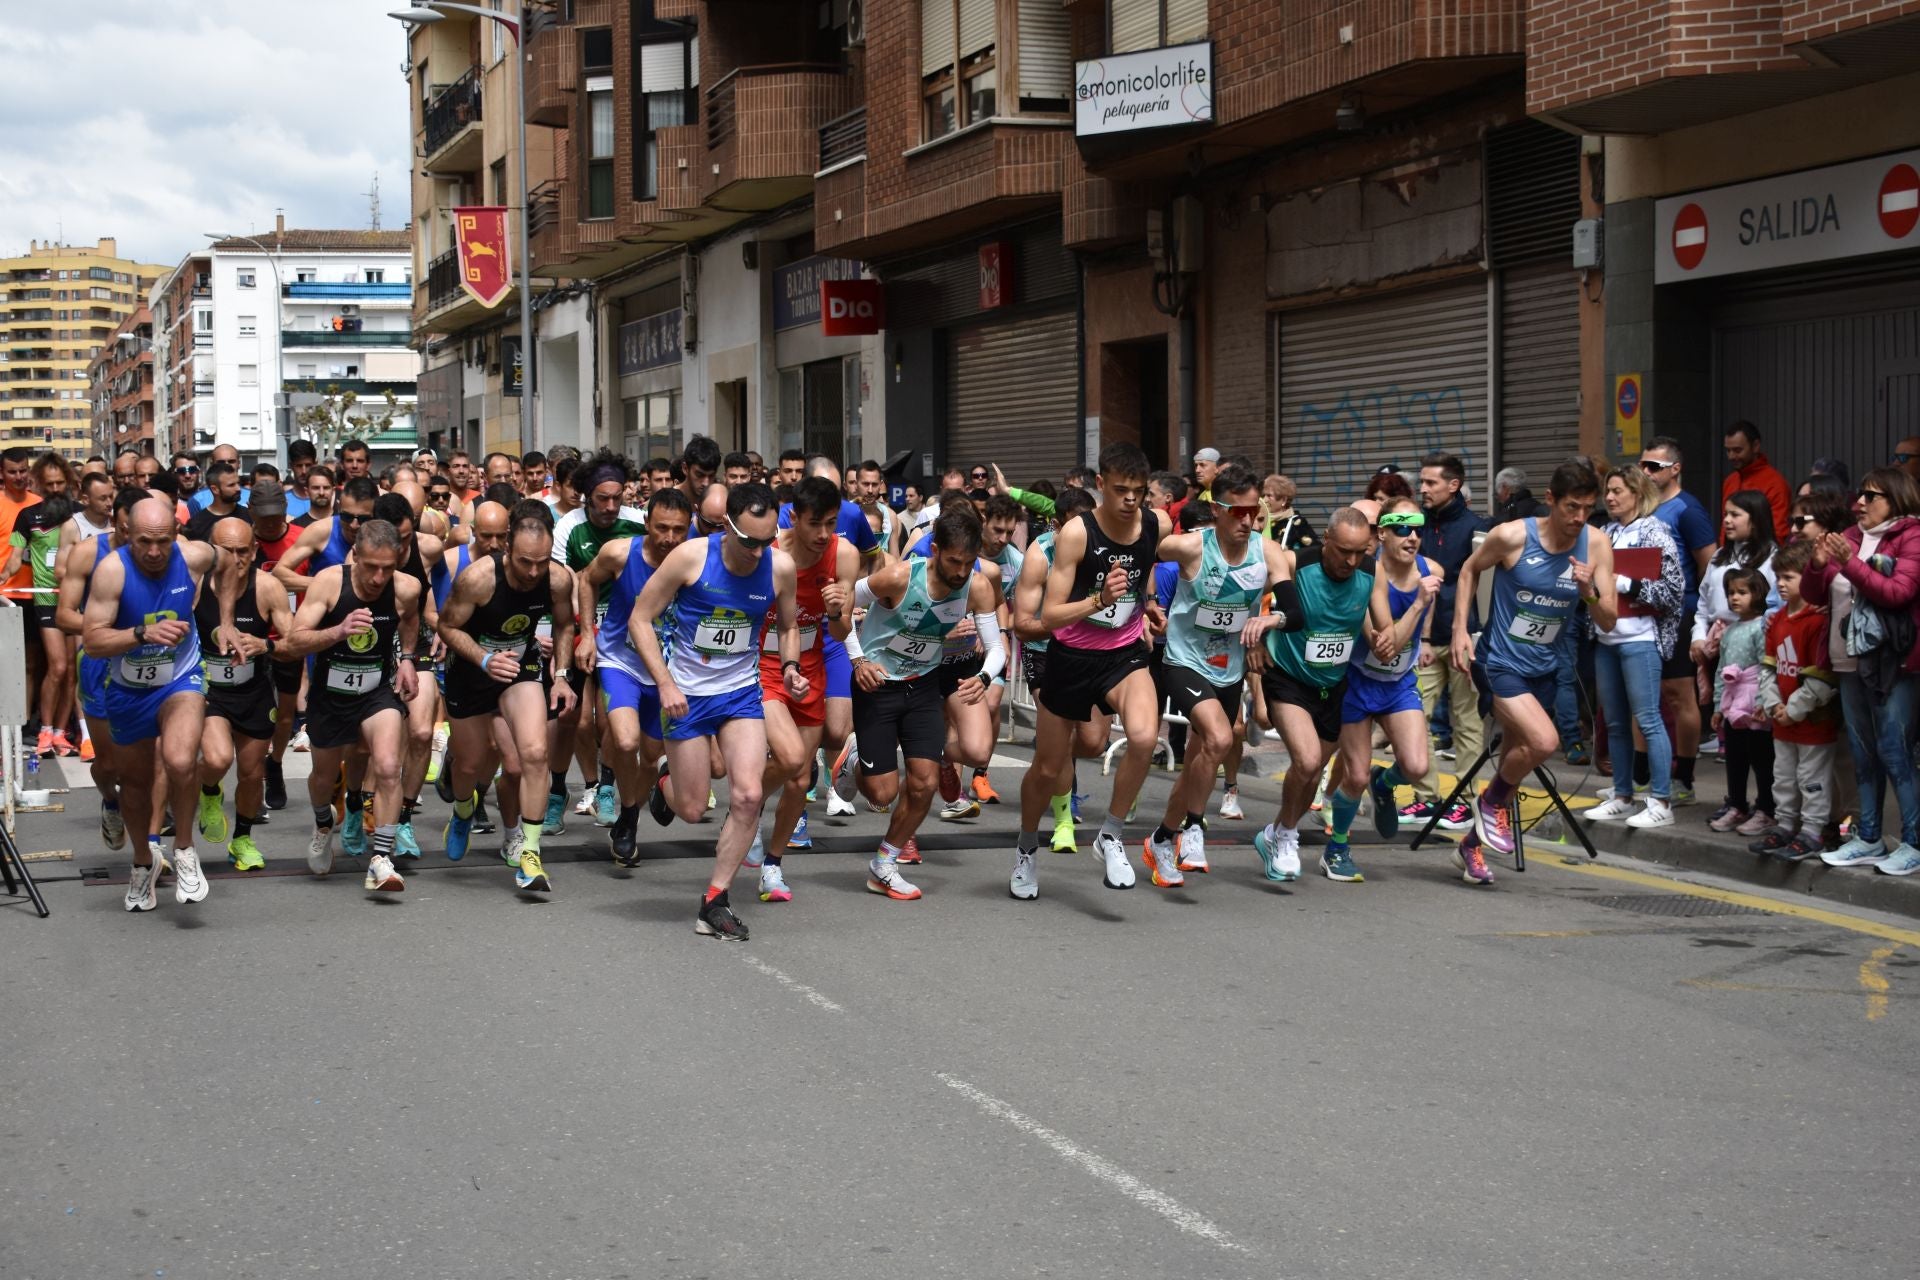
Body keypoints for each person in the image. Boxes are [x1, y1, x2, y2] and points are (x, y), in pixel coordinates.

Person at [628, 482, 802, 941]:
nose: (757, 552)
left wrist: (788, 666)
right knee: (689, 807)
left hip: (740, 693)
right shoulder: (690, 558)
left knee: (746, 796)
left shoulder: (780, 568)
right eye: (748, 541)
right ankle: (665, 779)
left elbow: (787, 627)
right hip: (685, 693)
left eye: (767, 541)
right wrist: (663, 683)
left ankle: (715, 901)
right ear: (728, 526)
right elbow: (640, 618)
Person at [1011, 444, 1169, 898]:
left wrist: (1149, 605)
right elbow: (1051, 615)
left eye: (1139, 492)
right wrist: (1100, 601)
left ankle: (1111, 834)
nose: (1131, 500)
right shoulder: (1077, 534)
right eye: (1121, 490)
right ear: (1101, 485)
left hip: (1123, 654)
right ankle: (1025, 849)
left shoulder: (1156, 524)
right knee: (1046, 767)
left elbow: (1147, 567)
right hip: (1071, 656)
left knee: (1142, 736)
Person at [1450, 462, 1618, 885]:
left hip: (1544, 667)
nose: (1579, 517)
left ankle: (1470, 845)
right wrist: (1459, 631)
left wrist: (1588, 593)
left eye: (1587, 508)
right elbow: (1470, 570)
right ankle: (1490, 804)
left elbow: (1610, 619)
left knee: (1514, 761)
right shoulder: (1513, 536)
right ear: (1551, 500)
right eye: (1571, 507)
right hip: (1499, 662)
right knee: (1544, 741)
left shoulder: (1596, 544)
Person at [81, 497, 239, 912]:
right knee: (133, 785)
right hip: (129, 688)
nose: (154, 552)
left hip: (181, 678)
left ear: (176, 535)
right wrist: (140, 634)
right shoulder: (112, 571)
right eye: (144, 542)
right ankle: (142, 863)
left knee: (181, 760)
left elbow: (230, 565)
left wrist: (225, 620)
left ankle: (185, 850)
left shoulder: (193, 555)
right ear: (127, 535)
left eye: (163, 542)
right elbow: (94, 641)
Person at [846, 506, 1003, 900]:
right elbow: (844, 606)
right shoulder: (900, 576)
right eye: (953, 561)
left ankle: (885, 862)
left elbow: (998, 647)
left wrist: (984, 676)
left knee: (924, 783)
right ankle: (852, 761)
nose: (961, 572)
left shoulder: (978, 586)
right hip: (877, 684)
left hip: (923, 686)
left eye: (969, 563)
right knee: (881, 795)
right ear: (934, 550)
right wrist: (859, 659)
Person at [1145, 465, 1293, 883]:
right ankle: (1194, 827)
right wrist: (1149, 601)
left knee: (1199, 763)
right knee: (1220, 738)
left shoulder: (1268, 553)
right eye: (1238, 512)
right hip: (1184, 660)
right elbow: (1142, 555)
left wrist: (1272, 621)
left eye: (1254, 511)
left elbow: (1293, 609)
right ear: (1218, 510)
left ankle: (1161, 839)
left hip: (1228, 671)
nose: (1247, 520)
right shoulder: (1191, 547)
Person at [438, 502, 579, 894]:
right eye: (524, 562)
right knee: (469, 764)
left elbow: (566, 625)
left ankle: (530, 854)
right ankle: (464, 809)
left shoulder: (557, 580)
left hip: (520, 667)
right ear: (506, 551)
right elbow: (447, 626)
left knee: (534, 753)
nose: (533, 571)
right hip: (471, 671)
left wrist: (563, 676)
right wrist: (483, 659)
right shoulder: (478, 578)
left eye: (540, 561)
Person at [282, 518, 424, 894]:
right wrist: (338, 631)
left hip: (377, 692)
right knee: (324, 778)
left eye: (388, 567)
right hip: (331, 694)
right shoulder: (329, 582)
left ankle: (381, 858)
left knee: (389, 766)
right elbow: (294, 642)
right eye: (372, 567)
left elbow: (411, 620)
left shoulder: (407, 587)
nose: (379, 577)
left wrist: (407, 658)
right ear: (355, 555)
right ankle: (322, 823)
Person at [744, 476, 858, 902]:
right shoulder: (767, 554)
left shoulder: (843, 556)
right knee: (790, 759)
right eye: (815, 523)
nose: (824, 534)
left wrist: (835, 612)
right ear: (794, 518)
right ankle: (748, 804)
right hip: (763, 667)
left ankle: (773, 866)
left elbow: (841, 629)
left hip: (809, 668)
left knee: (799, 779)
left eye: (831, 523)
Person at [1806, 468, 1920, 874]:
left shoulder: (1911, 536)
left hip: (1892, 663)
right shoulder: (1851, 537)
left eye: (1871, 497)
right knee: (1862, 753)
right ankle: (1868, 837)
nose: (1860, 504)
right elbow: (1814, 594)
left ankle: (1914, 841)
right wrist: (1818, 566)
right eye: (1861, 496)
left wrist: (1847, 563)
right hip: (1847, 661)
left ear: (1897, 498)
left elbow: (1898, 593)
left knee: (1895, 750)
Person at [1247, 508, 1371, 881]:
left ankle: (1278, 831)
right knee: (1306, 759)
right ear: (1326, 541)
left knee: (1313, 770)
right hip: (1288, 676)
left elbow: (1378, 621)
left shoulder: (1370, 572)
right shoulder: (1296, 563)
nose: (1351, 561)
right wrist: (1253, 641)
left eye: (1360, 552)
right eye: (1343, 551)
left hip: (1332, 684)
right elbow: (1250, 589)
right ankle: (1285, 834)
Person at [575, 487, 694, 864]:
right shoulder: (620, 553)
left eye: (678, 530)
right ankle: (626, 814)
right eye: (662, 528)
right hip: (620, 662)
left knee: (650, 757)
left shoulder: (696, 560)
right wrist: (587, 635)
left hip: (670, 672)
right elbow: (586, 580)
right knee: (625, 743)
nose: (669, 538)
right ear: (646, 524)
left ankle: (630, 813)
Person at [1584, 465, 1686, 828]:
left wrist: (1625, 583)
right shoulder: (1604, 533)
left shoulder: (1656, 532)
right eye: (1607, 491)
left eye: (1617, 491)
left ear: (1638, 494)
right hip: (1606, 638)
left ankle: (1660, 801)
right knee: (1614, 723)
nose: (1609, 497)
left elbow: (1673, 592)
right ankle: (1623, 794)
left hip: (1640, 639)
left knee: (1648, 720)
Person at [193, 516, 296, 872]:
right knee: (219, 759)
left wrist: (265, 645)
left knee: (252, 774)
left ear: (254, 550)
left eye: (242, 551)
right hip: (209, 692)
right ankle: (209, 791)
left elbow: (294, 643)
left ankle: (242, 839)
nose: (235, 559)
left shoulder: (267, 587)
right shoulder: (196, 584)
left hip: (253, 692)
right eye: (225, 551)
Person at [554, 451, 649, 829]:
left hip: (627, 634)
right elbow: (568, 584)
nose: (611, 506)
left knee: (612, 722)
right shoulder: (568, 527)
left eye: (617, 497)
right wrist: (584, 632)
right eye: (602, 499)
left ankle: (607, 786)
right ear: (585, 497)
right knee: (576, 722)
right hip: (583, 626)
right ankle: (573, 788)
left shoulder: (637, 523)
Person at [1739, 540, 1839, 862]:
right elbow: (1767, 665)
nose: (1781, 584)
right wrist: (1773, 705)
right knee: (1783, 777)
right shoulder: (1777, 619)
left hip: (1811, 722)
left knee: (1812, 780)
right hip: (1783, 721)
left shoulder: (1817, 621)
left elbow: (1823, 676)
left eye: (1789, 577)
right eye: (1778, 576)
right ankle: (1785, 824)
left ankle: (1812, 831)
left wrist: (1793, 709)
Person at [1403, 452, 1486, 831]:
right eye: (1421, 482)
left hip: (1463, 638)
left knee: (1466, 723)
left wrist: (1470, 632)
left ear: (1453, 485)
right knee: (1415, 720)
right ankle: (1426, 799)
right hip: (1421, 639)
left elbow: (1483, 587)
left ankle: (1467, 804)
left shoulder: (1476, 530)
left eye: (1430, 482)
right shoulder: (1417, 527)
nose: (1422, 489)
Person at [1638, 436, 1719, 799]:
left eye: (1653, 466)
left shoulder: (1687, 510)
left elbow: (1709, 564)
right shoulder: (1641, 507)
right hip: (1640, 612)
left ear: (1675, 469)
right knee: (1642, 693)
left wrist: (1696, 613)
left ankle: (1683, 777)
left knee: (1678, 693)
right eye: (1642, 465)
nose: (1646, 472)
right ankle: (1641, 777)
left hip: (1679, 613)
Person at [1707, 569, 1776, 836]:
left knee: (1761, 758)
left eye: (1742, 592)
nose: (1735, 598)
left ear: (1758, 594)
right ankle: (1737, 804)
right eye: (1731, 593)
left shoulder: (1761, 628)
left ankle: (1766, 809)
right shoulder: (1730, 630)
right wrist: (1717, 706)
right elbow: (1721, 668)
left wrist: (1762, 701)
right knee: (1735, 756)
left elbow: (1766, 666)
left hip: (1754, 701)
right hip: (1732, 701)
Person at [1721, 421, 1790, 542]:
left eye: (1737, 450)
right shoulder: (1730, 481)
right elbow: (1724, 529)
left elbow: (1778, 533)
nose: (1731, 456)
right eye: (1728, 450)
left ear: (1755, 446)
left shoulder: (1775, 483)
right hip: (1730, 556)